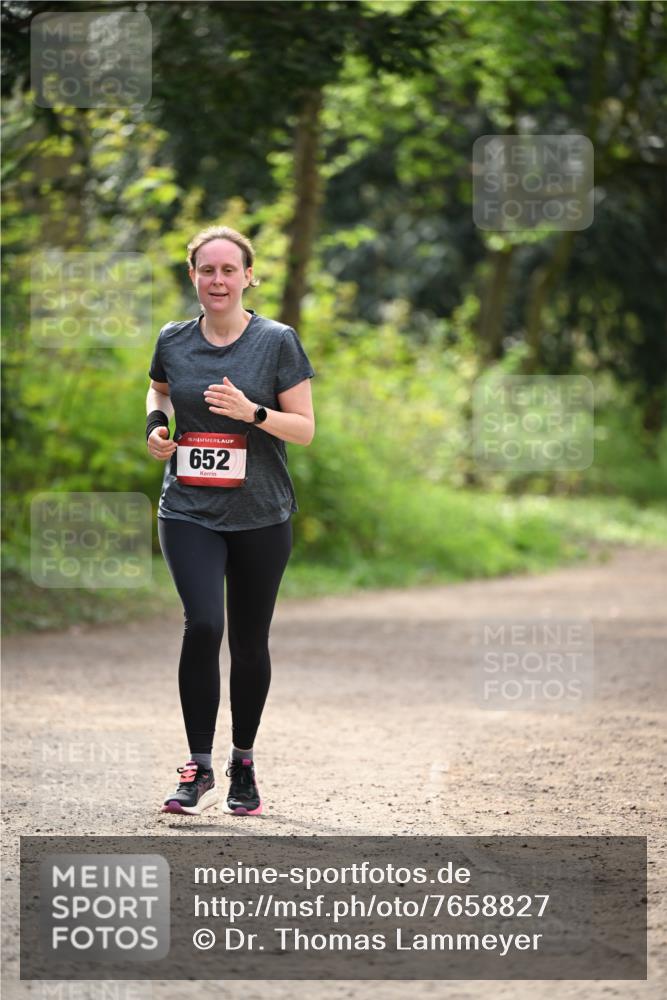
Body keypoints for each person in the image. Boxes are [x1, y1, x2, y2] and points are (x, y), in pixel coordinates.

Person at [146, 225, 315, 816]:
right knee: (203, 625)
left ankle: (243, 761)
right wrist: (156, 429)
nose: (217, 280)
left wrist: (254, 412)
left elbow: (305, 429)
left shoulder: (276, 341)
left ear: (248, 276)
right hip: (188, 507)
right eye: (206, 270)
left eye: (228, 270)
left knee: (248, 642)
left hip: (261, 514)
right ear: (193, 276)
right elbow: (159, 392)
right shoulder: (173, 339)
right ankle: (198, 767)